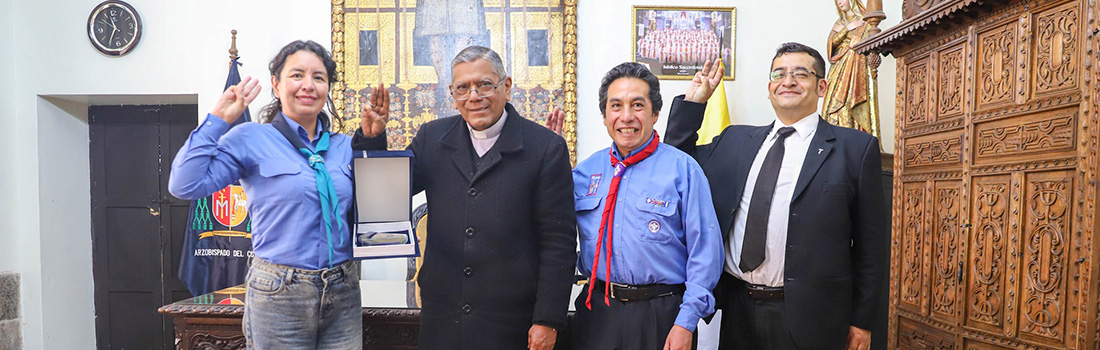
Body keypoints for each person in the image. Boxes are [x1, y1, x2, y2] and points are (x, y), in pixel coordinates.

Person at [664, 43, 888, 350]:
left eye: (801, 74)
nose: (788, 80)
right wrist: (694, 103)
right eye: (779, 73)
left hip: (812, 317)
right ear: (769, 88)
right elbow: (677, 161)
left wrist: (863, 322)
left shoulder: (855, 149)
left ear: (821, 86)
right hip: (738, 307)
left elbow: (871, 247)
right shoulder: (735, 140)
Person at [169, 40, 390, 349]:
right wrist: (217, 120)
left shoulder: (343, 146)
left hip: (343, 290)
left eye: (318, 77)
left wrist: (374, 140)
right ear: (276, 84)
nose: (308, 86)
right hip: (279, 292)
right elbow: (185, 184)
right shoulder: (251, 138)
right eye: (297, 75)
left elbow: (375, 203)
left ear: (328, 88)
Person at [353, 45, 577, 350]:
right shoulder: (432, 138)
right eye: (463, 88)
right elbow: (384, 199)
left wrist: (548, 319)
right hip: (442, 315)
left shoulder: (545, 148)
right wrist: (372, 139)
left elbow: (559, 242)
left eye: (484, 84)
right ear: (452, 93)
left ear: (506, 87)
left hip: (512, 319)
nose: (474, 96)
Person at [567, 62, 723, 350]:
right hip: (597, 314)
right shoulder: (585, 173)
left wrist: (685, 322)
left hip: (661, 316)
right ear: (604, 116)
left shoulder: (683, 169)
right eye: (616, 106)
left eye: (637, 105)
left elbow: (706, 254)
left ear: (655, 113)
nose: (626, 116)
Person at [822, 0, 880, 139]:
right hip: (839, 66)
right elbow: (832, 44)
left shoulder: (865, 21)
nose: (840, 3)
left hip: (856, 66)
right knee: (833, 102)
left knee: (850, 100)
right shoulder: (840, 23)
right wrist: (847, 28)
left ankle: (853, 135)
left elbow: (870, 43)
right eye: (837, 1)